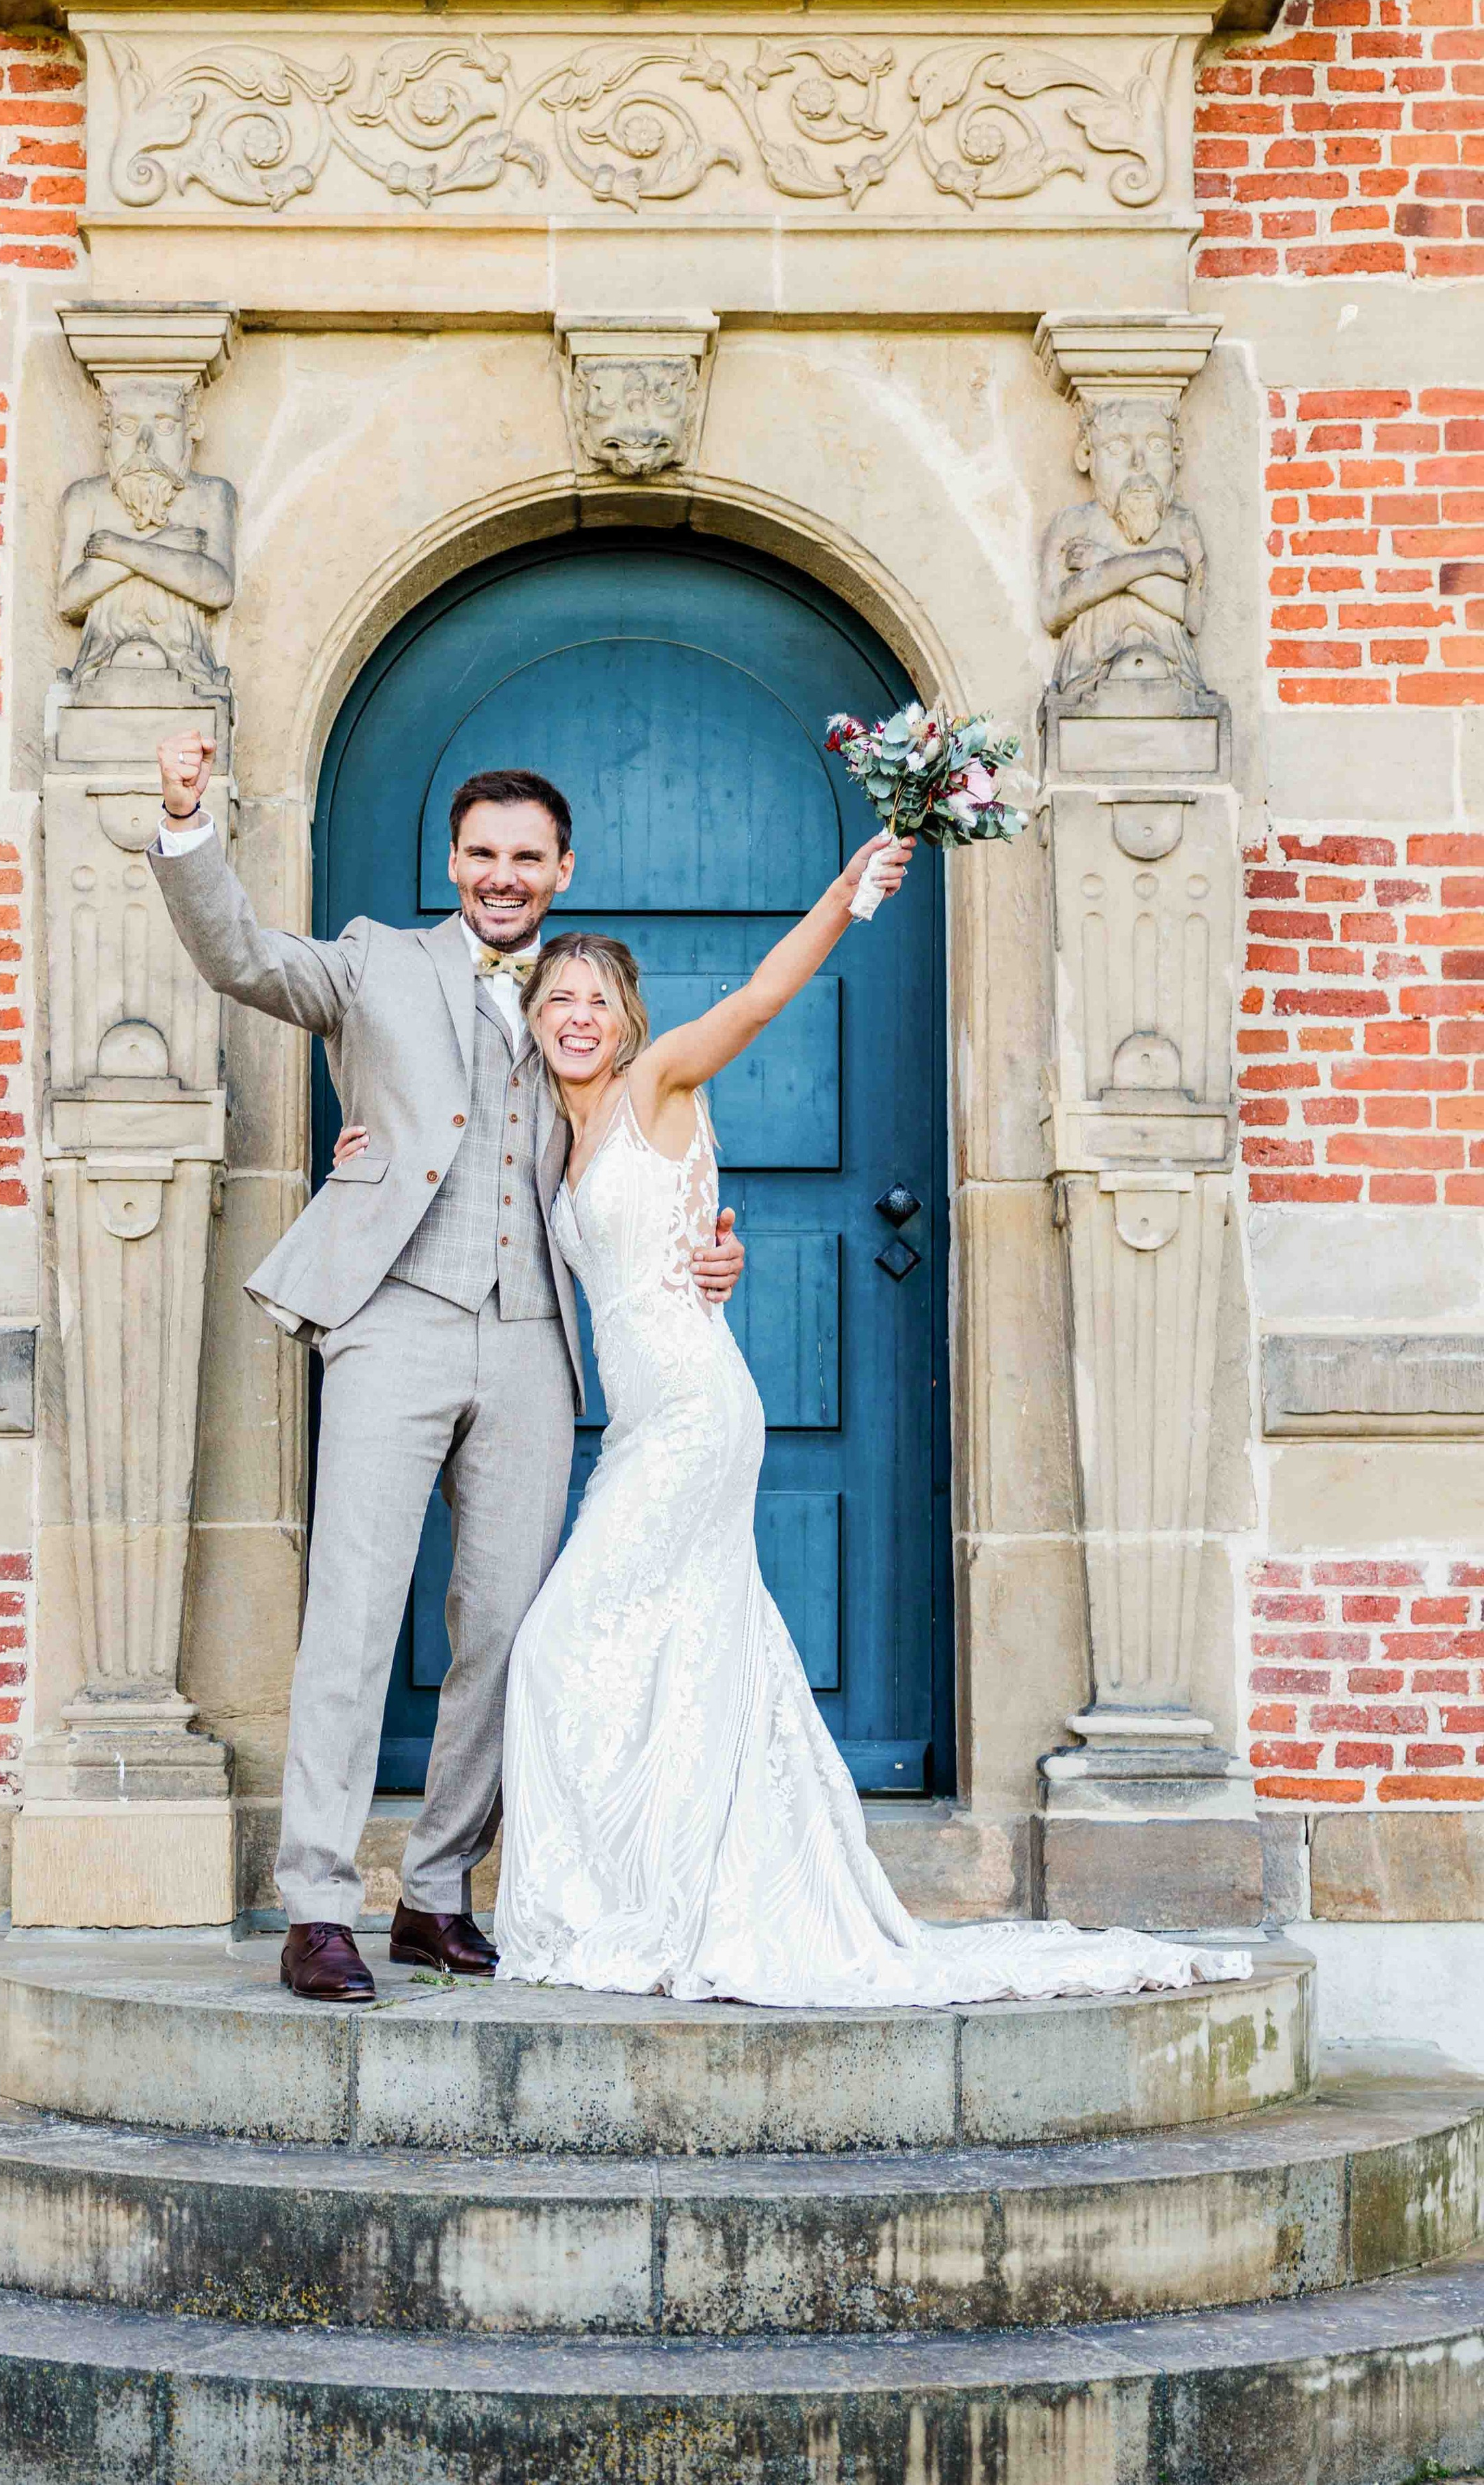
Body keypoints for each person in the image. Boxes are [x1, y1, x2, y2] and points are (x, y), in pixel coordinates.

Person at [356, 825, 1250, 2007]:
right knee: (665, 1651)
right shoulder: (552, 1140)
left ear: (626, 1017)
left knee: (568, 1642)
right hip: (641, 1421)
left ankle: (662, 1902)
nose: (574, 1016)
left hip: (696, 1413)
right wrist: (360, 1147)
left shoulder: (658, 1081)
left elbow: (770, 999)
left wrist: (844, 891)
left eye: (595, 999)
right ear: (532, 1022)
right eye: (555, 1000)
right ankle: (668, 1889)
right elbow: (459, 1167)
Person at [148, 730, 743, 2003]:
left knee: (503, 1630)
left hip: (535, 1336)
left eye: (527, 857)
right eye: (483, 854)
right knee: (354, 1618)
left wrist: (704, 1257)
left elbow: (652, 1163)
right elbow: (241, 956)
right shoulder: (376, 960)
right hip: (394, 1322)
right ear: (454, 860)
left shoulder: (586, 1005)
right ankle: (317, 1904)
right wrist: (191, 826)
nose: (503, 876)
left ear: (562, 867)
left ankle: (434, 1892)